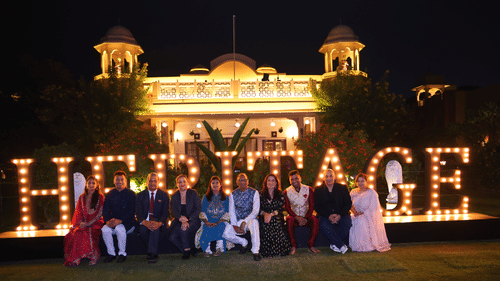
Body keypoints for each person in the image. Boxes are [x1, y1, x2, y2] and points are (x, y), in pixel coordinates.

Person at [63, 175, 104, 266]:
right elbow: (78, 212)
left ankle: (94, 255)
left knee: (87, 232)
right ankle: (76, 258)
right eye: (89, 183)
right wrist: (81, 223)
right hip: (84, 222)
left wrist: (88, 223)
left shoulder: (100, 197)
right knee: (75, 233)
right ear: (86, 185)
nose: (91, 185)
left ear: (97, 185)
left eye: (93, 183)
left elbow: (100, 214)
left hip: (96, 223)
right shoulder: (82, 197)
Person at [223, 173, 262, 261]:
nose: (243, 182)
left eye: (245, 180)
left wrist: (245, 222)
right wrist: (235, 226)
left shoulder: (254, 192)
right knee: (226, 234)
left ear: (248, 181)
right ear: (237, 182)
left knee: (255, 224)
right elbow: (231, 211)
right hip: (237, 220)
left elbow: (255, 211)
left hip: (250, 219)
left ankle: (255, 251)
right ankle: (244, 243)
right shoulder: (233, 194)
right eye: (241, 180)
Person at [350, 173, 391, 252]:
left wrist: (363, 213)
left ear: (366, 181)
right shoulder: (353, 192)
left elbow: (374, 207)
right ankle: (355, 245)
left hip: (367, 215)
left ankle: (364, 246)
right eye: (358, 181)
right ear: (356, 183)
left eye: (362, 181)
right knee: (352, 219)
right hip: (355, 214)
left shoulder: (371, 192)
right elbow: (349, 205)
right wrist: (355, 212)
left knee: (360, 221)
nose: (360, 183)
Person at [102, 171, 137, 263]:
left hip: (127, 223)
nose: (120, 182)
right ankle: (112, 254)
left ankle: (122, 253)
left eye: (122, 179)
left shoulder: (131, 194)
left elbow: (132, 211)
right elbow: (105, 210)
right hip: (112, 222)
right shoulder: (109, 194)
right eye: (117, 180)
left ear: (125, 181)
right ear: (114, 181)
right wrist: (107, 221)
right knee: (105, 229)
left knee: (119, 229)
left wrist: (120, 221)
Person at [315, 169, 352, 254]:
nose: (329, 178)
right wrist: (329, 216)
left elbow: (348, 204)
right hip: (325, 216)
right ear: (323, 178)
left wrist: (339, 215)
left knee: (347, 223)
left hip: (341, 215)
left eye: (330, 176)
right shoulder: (318, 189)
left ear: (335, 177)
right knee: (323, 224)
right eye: (326, 176)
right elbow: (317, 206)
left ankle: (334, 244)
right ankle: (341, 245)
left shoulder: (342, 188)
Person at [284, 170, 320, 254]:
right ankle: (293, 246)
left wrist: (306, 218)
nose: (294, 181)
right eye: (292, 179)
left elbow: (312, 205)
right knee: (289, 219)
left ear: (300, 178)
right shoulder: (287, 192)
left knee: (315, 220)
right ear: (290, 181)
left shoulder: (308, 189)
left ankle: (311, 246)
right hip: (294, 217)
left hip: (307, 216)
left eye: (296, 178)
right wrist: (297, 218)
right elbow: (287, 208)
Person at [136, 172, 170, 264]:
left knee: (154, 228)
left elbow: (165, 212)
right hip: (145, 221)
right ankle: (151, 249)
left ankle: (152, 254)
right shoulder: (140, 195)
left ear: (158, 182)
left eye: (155, 181)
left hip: (158, 221)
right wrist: (145, 222)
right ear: (147, 182)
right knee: (142, 231)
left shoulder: (164, 195)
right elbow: (138, 213)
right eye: (151, 181)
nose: (152, 183)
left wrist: (159, 223)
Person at [169, 174, 202, 260]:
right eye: (180, 182)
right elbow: (173, 210)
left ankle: (186, 251)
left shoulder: (193, 193)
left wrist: (188, 219)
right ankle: (190, 249)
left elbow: (198, 209)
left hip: (193, 219)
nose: (182, 183)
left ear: (187, 183)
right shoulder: (174, 195)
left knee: (183, 229)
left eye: (184, 181)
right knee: (172, 237)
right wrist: (181, 219)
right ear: (177, 184)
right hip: (179, 219)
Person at [197, 176, 230, 257]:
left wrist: (219, 222)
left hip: (221, 221)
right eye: (213, 183)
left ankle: (219, 249)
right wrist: (206, 222)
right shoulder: (206, 197)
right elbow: (202, 212)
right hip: (208, 220)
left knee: (221, 227)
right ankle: (206, 250)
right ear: (210, 185)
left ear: (220, 185)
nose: (215, 185)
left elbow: (228, 212)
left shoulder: (226, 197)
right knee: (206, 228)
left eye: (217, 183)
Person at [259, 174, 291, 258]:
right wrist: (265, 214)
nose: (271, 182)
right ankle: (268, 251)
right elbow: (258, 209)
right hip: (264, 216)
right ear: (265, 183)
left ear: (276, 183)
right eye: (269, 180)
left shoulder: (280, 194)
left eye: (273, 180)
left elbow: (280, 208)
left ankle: (278, 250)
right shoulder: (260, 194)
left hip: (276, 215)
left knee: (274, 220)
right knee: (266, 223)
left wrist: (271, 214)